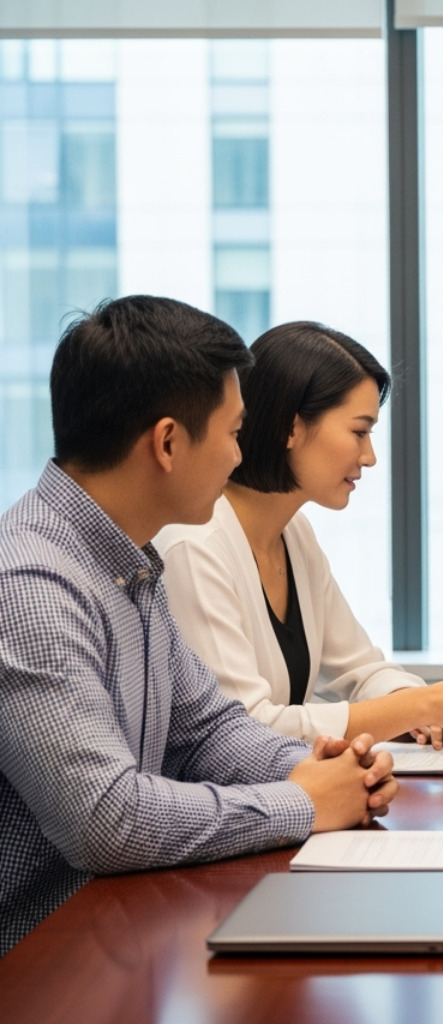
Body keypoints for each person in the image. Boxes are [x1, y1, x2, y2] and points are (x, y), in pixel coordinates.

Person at [0, 296, 396, 954]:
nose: (241, 456)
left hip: (117, 938)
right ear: (167, 443)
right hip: (36, 961)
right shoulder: (31, 587)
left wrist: (320, 768)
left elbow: (205, 731)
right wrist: (303, 802)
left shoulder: (129, 563)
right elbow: (105, 820)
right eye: (234, 433)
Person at [158, 322, 443, 748]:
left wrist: (423, 707)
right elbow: (245, 729)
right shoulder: (195, 546)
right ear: (290, 427)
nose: (370, 456)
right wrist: (422, 706)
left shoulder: (293, 532)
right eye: (359, 432)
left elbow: (360, 671)